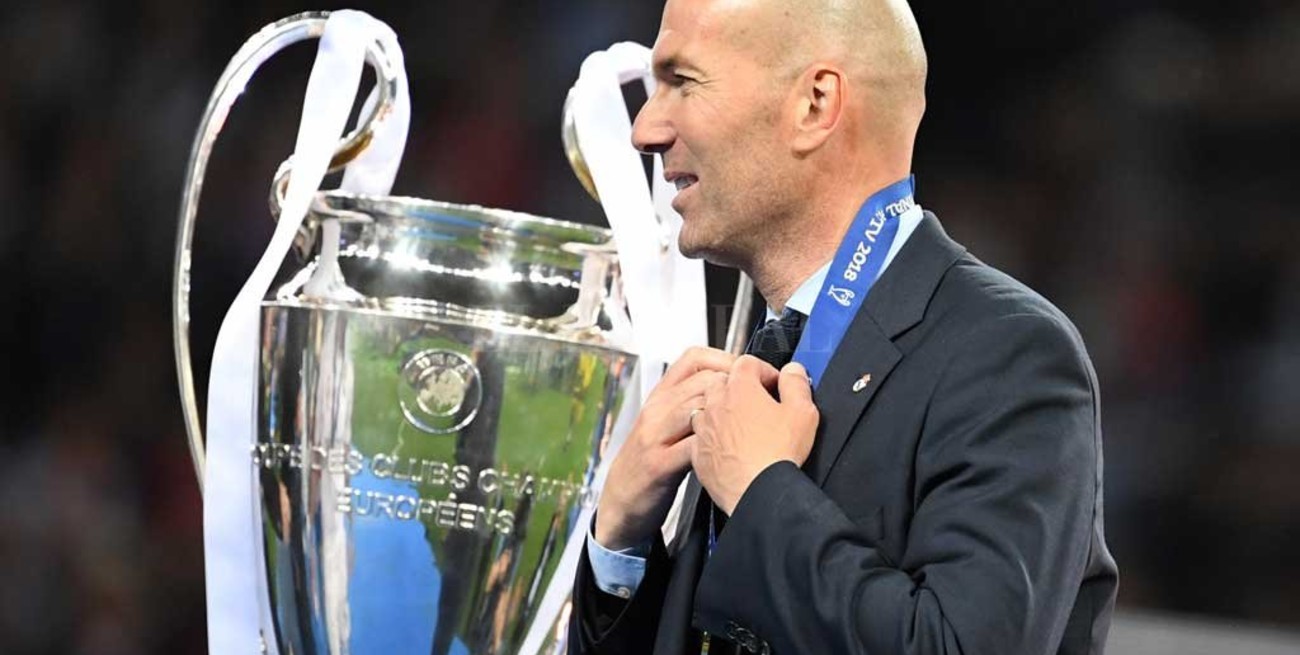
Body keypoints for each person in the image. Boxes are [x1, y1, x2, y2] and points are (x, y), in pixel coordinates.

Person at [568, 0, 1118, 653]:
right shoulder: (750, 357)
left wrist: (763, 495)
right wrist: (620, 544)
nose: (646, 130)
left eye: (682, 81)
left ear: (815, 104)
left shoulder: (1010, 355)